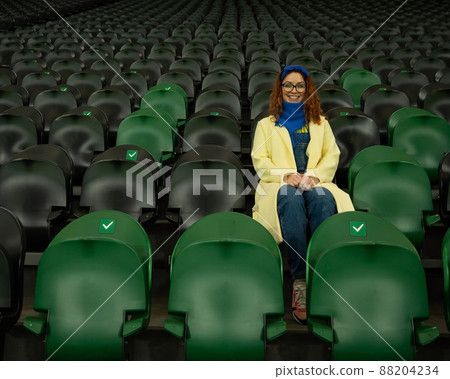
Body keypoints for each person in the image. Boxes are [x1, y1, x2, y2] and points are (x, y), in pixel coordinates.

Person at [251, 65, 354, 323]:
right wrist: (286, 174)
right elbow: (259, 159)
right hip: (280, 183)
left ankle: (323, 275)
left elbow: (332, 155)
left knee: (322, 199)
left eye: (299, 85)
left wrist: (315, 177)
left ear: (307, 89)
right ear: (280, 88)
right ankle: (301, 282)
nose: (294, 90)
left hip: (315, 180)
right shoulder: (266, 125)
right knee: (291, 198)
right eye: (288, 85)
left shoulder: (321, 123)